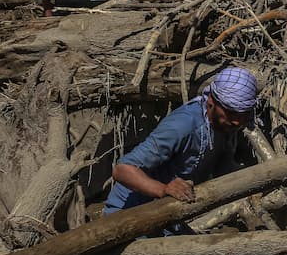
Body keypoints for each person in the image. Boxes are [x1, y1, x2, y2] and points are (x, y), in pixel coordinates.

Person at [103, 67, 258, 222]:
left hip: (168, 214)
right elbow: (122, 170)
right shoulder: (182, 125)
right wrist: (163, 189)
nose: (237, 120)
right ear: (211, 100)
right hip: (130, 213)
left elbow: (223, 170)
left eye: (242, 113)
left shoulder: (226, 124)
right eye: (230, 112)